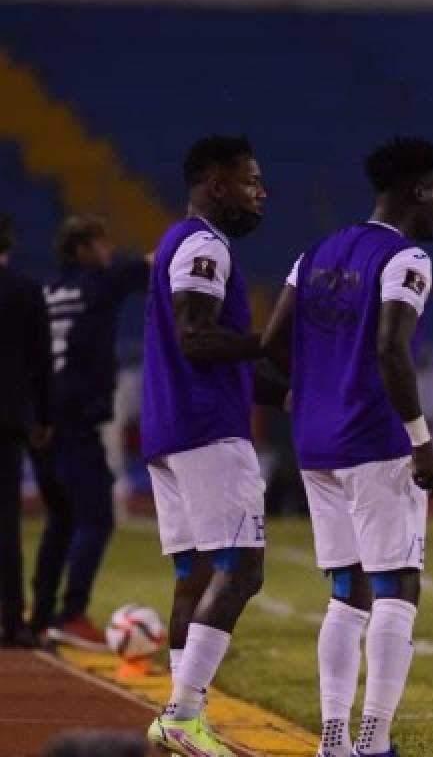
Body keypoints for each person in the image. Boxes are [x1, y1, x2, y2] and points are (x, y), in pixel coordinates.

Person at [260, 136, 433, 757]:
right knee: (397, 587)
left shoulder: (314, 252)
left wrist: (301, 396)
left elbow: (272, 344)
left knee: (347, 591)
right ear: (418, 193)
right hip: (374, 440)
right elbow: (392, 348)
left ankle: (334, 738)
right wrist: (421, 442)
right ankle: (375, 739)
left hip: (315, 445)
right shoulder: (406, 259)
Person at [142, 135, 269, 757]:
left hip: (170, 427)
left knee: (193, 573)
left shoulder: (175, 240)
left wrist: (285, 384)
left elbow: (207, 346)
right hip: (205, 427)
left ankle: (180, 714)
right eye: (250, 181)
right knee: (241, 568)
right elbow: (198, 338)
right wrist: (271, 340)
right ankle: (183, 713)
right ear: (216, 185)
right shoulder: (203, 245)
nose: (260, 193)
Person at [28, 214, 151, 648]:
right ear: (83, 249)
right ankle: (73, 611)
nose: (109, 252)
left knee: (60, 519)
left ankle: (40, 614)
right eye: (102, 245)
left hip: (40, 420)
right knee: (95, 515)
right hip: (78, 418)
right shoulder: (98, 283)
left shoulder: (42, 291)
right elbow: (152, 265)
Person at [0, 212, 53, 648]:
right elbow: (41, 361)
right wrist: (44, 417)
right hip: (8, 419)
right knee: (6, 524)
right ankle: (12, 623)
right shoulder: (25, 289)